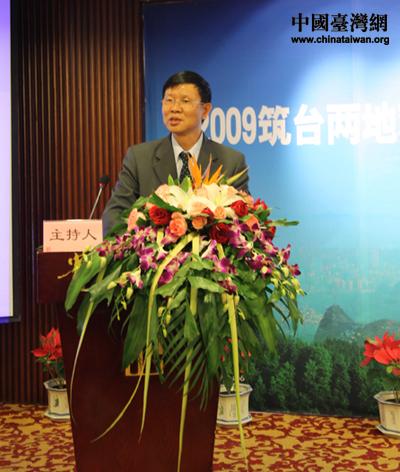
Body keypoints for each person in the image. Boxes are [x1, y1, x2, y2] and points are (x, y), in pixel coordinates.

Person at [102, 70, 249, 235]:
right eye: (169, 100)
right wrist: (140, 245)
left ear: (206, 109)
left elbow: (243, 222)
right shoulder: (139, 158)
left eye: (185, 101)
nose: (174, 108)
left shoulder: (231, 161)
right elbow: (114, 216)